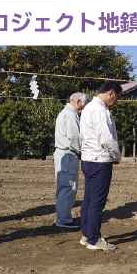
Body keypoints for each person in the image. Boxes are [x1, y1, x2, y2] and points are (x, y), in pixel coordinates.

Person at [78, 82, 123, 251]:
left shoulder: (88, 108)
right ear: (111, 93)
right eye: (116, 98)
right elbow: (105, 138)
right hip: (100, 160)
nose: (115, 102)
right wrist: (116, 155)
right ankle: (94, 239)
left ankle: (86, 234)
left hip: (88, 158)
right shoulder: (100, 110)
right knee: (97, 202)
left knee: (88, 199)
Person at [55, 92, 88, 229]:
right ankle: (64, 219)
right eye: (83, 107)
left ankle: (64, 217)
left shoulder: (66, 113)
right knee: (67, 188)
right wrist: (83, 153)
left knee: (64, 187)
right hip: (68, 154)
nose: (83, 110)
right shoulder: (70, 115)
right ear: (78, 101)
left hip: (64, 154)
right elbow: (74, 138)